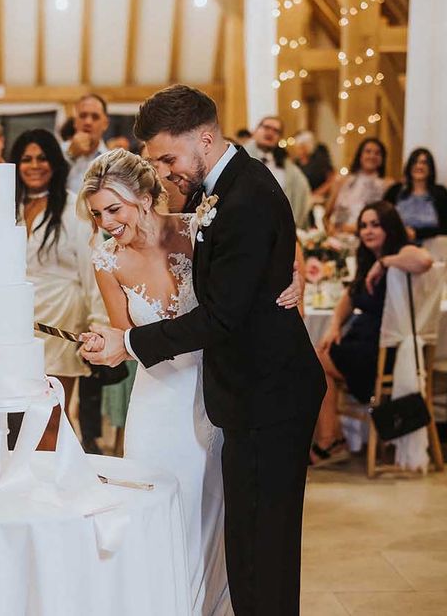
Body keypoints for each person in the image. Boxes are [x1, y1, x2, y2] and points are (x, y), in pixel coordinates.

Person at [80, 85, 325, 616]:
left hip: (265, 393)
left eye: (169, 158)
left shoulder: (243, 197)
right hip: (227, 392)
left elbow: (221, 314)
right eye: (157, 162)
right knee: (246, 541)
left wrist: (291, 275)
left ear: (206, 139)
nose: (165, 172)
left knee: (262, 546)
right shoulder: (212, 192)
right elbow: (244, 268)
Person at [313, 201, 434, 465]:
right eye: (364, 226)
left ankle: (330, 440)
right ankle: (330, 438)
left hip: (384, 350)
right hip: (365, 342)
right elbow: (349, 296)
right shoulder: (367, 258)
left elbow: (424, 261)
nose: (368, 231)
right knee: (316, 355)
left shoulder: (402, 252)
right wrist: (334, 325)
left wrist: (386, 262)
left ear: (389, 227)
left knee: (314, 360)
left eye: (375, 225)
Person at [10, 129, 105, 450]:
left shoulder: (73, 209)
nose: (34, 165)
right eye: (26, 159)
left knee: (51, 415)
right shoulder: (8, 209)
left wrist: (98, 324)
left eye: (42, 158)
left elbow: (92, 270)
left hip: (61, 321)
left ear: (55, 163)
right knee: (17, 415)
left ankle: (54, 488)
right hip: (16, 324)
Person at [244, 116, 312, 228]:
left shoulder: (285, 165)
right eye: (266, 127)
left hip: (278, 226)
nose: (270, 133)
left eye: (276, 131)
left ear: (279, 138)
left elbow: (303, 189)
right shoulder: (240, 157)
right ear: (255, 131)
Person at [326, 137, 391, 235]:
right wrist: (331, 230)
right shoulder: (343, 181)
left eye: (377, 153)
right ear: (360, 156)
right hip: (339, 236)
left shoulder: (386, 185)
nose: (372, 156)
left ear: (382, 159)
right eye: (368, 152)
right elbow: (326, 216)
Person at [383, 148, 447, 244]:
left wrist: (417, 233)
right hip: (396, 245)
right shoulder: (395, 191)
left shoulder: (440, 193)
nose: (419, 166)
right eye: (415, 162)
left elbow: (445, 228)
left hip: (431, 248)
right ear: (409, 166)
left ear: (430, 168)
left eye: (424, 163)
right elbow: (382, 219)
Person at [63, 94, 110, 192]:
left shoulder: (112, 161)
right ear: (75, 122)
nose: (88, 122)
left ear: (105, 124)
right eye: (83, 116)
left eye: (95, 117)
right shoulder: (58, 151)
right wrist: (70, 155)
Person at [293, 131, 334, 200]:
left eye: (302, 147)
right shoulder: (296, 163)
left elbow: (331, 180)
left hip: (318, 198)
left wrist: (316, 194)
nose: (299, 151)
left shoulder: (320, 161)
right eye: (298, 147)